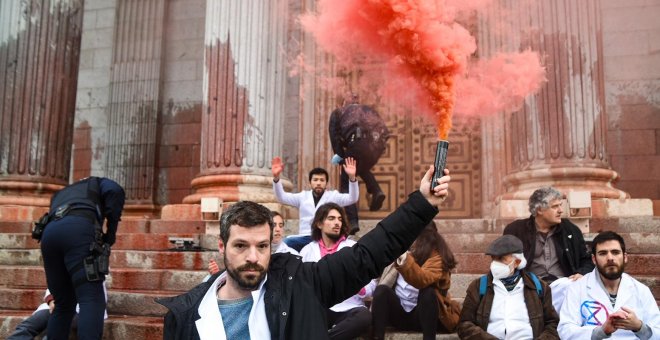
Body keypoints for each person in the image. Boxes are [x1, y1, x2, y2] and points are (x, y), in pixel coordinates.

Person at [157, 165, 451, 340]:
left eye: (262, 246)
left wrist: (422, 203)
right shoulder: (183, 316)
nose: (252, 257)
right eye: (240, 245)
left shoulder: (300, 284)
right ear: (222, 247)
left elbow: (367, 255)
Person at [40, 177, 125, 340]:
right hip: (78, 230)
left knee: (63, 304)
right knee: (91, 298)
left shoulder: (62, 192)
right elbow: (115, 190)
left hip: (49, 234)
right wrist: (110, 233)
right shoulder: (99, 182)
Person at [503, 186, 593, 312]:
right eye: (555, 206)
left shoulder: (570, 230)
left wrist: (581, 274)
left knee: (570, 288)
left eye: (560, 205)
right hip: (530, 286)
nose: (561, 210)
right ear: (539, 209)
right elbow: (503, 261)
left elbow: (587, 260)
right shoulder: (516, 230)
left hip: (562, 286)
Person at [558, 231, 660, 339]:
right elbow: (566, 331)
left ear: (625, 257)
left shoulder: (641, 290)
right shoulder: (577, 288)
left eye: (615, 252)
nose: (610, 258)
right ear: (594, 259)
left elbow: (658, 332)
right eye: (603, 253)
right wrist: (601, 332)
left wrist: (639, 327)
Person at [457, 235, 559, 339]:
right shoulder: (478, 286)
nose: (495, 264)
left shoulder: (539, 286)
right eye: (493, 258)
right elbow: (464, 325)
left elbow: (552, 324)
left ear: (517, 262)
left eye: (501, 259)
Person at [372, 223, 461, 340]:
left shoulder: (436, 257)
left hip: (423, 316)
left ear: (425, 238)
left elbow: (422, 279)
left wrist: (405, 260)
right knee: (381, 290)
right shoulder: (401, 252)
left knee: (428, 293)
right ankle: (377, 337)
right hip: (399, 314)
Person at [299, 203, 376, 339]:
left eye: (340, 219)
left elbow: (371, 284)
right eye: (331, 218)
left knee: (364, 317)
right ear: (319, 224)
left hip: (349, 308)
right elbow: (301, 284)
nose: (337, 223)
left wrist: (360, 287)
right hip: (320, 308)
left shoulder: (353, 248)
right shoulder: (307, 251)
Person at [271, 156, 359, 251]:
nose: (318, 183)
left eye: (322, 180)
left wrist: (352, 178)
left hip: (325, 237)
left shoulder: (333, 196)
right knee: (286, 244)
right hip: (305, 237)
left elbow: (352, 198)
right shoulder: (302, 196)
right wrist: (276, 178)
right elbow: (281, 197)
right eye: (315, 180)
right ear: (310, 183)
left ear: (326, 183)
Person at [329, 97, 390, 233]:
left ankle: (352, 221)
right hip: (375, 147)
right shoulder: (367, 109)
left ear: (344, 102)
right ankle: (376, 190)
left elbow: (335, 137)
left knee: (346, 181)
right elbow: (385, 132)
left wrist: (340, 157)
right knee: (360, 168)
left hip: (355, 144)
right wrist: (378, 148)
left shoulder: (338, 112)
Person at [8, 285, 109, 340]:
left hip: (81, 312)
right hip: (56, 308)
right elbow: (52, 287)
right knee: (33, 322)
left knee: (58, 324)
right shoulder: (61, 264)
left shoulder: (91, 267)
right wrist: (52, 301)